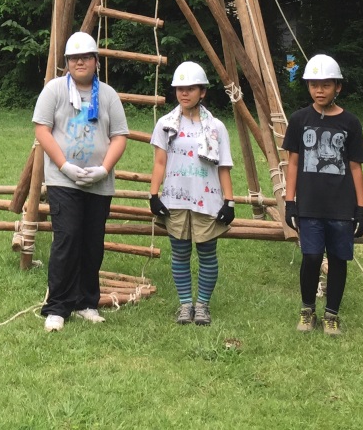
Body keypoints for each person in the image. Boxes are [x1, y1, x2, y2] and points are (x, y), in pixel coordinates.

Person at [32, 31, 129, 332]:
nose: (80, 62)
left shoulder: (108, 95)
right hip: (63, 180)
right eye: (74, 58)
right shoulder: (55, 90)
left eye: (86, 57)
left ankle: (87, 303)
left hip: (99, 182)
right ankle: (57, 307)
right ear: (67, 62)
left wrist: (104, 169)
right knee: (68, 238)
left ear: (96, 61)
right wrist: (64, 165)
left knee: (92, 242)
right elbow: (42, 130)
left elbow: (119, 136)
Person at [282, 53, 363, 336]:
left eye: (326, 85)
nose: (319, 90)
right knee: (310, 257)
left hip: (341, 206)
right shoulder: (299, 120)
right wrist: (290, 202)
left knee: (338, 259)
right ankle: (307, 310)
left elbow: (355, 167)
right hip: (309, 205)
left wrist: (361, 209)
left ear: (338, 87)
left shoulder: (351, 123)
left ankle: (332, 314)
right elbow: (293, 163)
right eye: (313, 85)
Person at [148, 61, 236, 325]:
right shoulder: (165, 124)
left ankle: (203, 305)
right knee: (180, 254)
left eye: (191, 88)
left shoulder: (216, 127)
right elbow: (160, 162)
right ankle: (186, 305)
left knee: (207, 254)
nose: (184, 93)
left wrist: (229, 202)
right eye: (180, 89)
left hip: (207, 201)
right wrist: (154, 195)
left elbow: (223, 166)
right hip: (174, 200)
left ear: (202, 92)